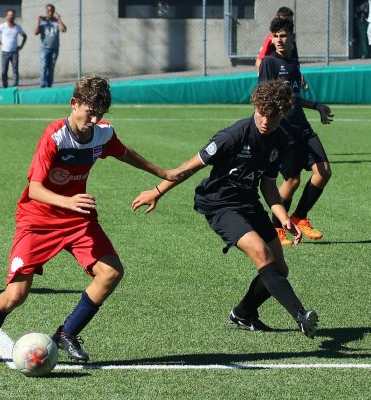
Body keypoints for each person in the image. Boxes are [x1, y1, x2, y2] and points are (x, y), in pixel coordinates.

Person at [0, 76, 169, 364]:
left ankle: (67, 333)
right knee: (16, 295)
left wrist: (162, 174)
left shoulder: (103, 134)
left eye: (100, 113)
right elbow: (35, 190)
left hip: (77, 220)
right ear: (73, 104)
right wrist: (69, 201)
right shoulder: (55, 136)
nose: (95, 118)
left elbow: (125, 154)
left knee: (111, 273)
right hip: (37, 219)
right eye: (90, 112)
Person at [131, 80, 319, 339]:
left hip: (249, 202)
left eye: (273, 116)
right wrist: (157, 190)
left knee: (280, 269)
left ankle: (243, 313)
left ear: (283, 114)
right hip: (220, 203)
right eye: (262, 112)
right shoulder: (232, 136)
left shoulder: (280, 140)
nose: (265, 120)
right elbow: (189, 167)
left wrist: (284, 217)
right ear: (255, 106)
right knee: (262, 254)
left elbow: (268, 185)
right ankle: (301, 316)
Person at [259, 17, 333, 245]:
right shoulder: (270, 63)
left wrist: (317, 106)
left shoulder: (294, 63)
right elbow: (262, 97)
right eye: (276, 36)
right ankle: (277, 229)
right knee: (291, 181)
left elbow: (294, 97)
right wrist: (265, 124)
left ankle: (299, 217)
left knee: (324, 172)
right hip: (284, 131)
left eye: (283, 36)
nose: (279, 40)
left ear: (292, 37)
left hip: (302, 128)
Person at [0, 9, 27, 88]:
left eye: (12, 15)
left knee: (15, 70)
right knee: (4, 71)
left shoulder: (17, 27)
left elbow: (24, 36)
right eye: (9, 15)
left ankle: (15, 86)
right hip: (5, 52)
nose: (10, 17)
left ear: (14, 16)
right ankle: (5, 86)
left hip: (14, 52)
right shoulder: (2, 26)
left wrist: (21, 46)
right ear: (6, 16)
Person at [34, 4, 67, 88]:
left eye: (52, 11)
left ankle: (49, 85)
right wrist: (38, 21)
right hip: (44, 48)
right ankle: (42, 85)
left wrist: (59, 19)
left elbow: (64, 29)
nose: (50, 12)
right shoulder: (42, 21)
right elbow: (35, 32)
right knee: (43, 66)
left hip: (54, 48)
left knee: (51, 68)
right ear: (46, 11)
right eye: (48, 10)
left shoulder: (56, 21)